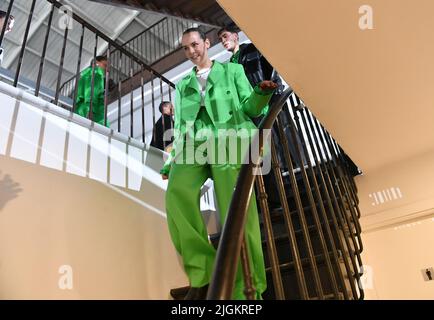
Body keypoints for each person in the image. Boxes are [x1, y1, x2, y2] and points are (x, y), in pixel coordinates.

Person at [161, 27, 277, 300]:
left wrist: (261, 93)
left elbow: (250, 108)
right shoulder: (182, 86)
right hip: (193, 145)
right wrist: (170, 164)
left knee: (236, 210)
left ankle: (246, 286)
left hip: (228, 139)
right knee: (176, 195)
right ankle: (202, 271)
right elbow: (179, 126)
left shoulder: (231, 71)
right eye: (186, 48)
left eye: (195, 45)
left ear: (206, 43)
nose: (191, 51)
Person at [218, 25, 307, 205]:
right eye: (220, 40)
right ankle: (275, 187)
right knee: (265, 146)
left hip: (269, 102)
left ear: (235, 36)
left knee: (282, 139)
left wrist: (275, 94)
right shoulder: (228, 68)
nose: (223, 41)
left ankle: (298, 176)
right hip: (251, 111)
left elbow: (271, 69)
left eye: (225, 36)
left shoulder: (252, 49)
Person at [74, 56, 109, 127]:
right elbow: (91, 93)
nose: (107, 69)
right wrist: (89, 111)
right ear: (97, 63)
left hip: (82, 109)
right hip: (93, 112)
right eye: (105, 65)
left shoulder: (85, 74)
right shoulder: (96, 74)